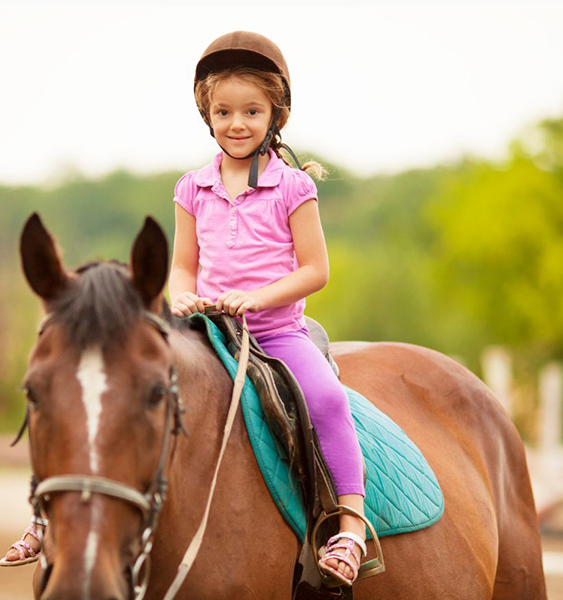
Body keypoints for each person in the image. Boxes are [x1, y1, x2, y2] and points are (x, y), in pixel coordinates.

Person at [168, 30, 367, 587]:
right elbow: (183, 265)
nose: (237, 123)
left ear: (274, 114)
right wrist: (179, 294)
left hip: (275, 334)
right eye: (224, 111)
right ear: (207, 114)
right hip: (208, 331)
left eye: (252, 110)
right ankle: (57, 518)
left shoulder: (292, 187)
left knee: (326, 397)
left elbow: (315, 271)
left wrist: (258, 297)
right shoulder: (191, 188)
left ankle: (350, 521)